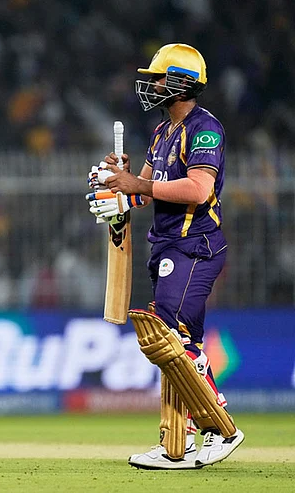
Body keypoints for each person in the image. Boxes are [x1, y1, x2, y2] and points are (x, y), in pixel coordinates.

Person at [87, 43, 244, 470]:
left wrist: (136, 186)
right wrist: (118, 184)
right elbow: (145, 193)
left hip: (195, 247)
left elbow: (198, 190)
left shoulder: (204, 128)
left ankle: (221, 428)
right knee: (176, 345)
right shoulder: (162, 132)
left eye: (159, 77)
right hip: (168, 245)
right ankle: (177, 443)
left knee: (169, 336)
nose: (152, 85)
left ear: (180, 83)